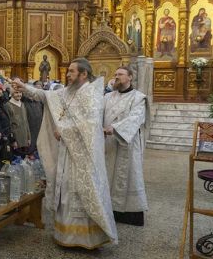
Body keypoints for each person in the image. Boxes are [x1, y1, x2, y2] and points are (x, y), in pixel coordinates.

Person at [13, 57, 118, 249]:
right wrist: (24, 87)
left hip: (83, 155)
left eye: (71, 71)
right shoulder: (68, 92)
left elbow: (91, 124)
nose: (67, 75)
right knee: (67, 190)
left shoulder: (91, 94)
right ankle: (67, 234)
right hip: (67, 151)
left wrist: (64, 131)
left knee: (80, 191)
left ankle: (87, 238)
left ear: (83, 74)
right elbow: (45, 96)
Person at [103, 66, 148, 226]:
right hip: (108, 144)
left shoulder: (138, 98)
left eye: (120, 74)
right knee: (108, 175)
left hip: (127, 144)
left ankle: (130, 215)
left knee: (128, 176)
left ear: (130, 77)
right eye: (115, 74)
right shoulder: (107, 97)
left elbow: (136, 118)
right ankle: (110, 210)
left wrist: (115, 128)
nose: (116, 77)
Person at [5, 87, 31, 156]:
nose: (19, 94)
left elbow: (26, 122)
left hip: (25, 139)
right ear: (12, 93)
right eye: (16, 92)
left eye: (20, 92)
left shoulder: (22, 104)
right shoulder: (8, 105)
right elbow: (9, 124)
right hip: (16, 140)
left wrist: (28, 137)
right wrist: (13, 140)